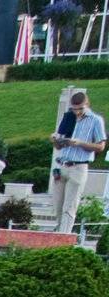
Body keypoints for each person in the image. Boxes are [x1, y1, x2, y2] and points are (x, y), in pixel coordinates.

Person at [52, 90, 107, 234]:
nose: (77, 112)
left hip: (78, 166)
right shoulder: (68, 117)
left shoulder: (95, 119)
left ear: (87, 104)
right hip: (61, 164)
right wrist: (55, 140)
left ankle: (63, 236)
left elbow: (101, 146)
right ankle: (59, 233)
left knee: (69, 207)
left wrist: (80, 143)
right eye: (74, 109)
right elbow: (58, 145)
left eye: (80, 109)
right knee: (57, 205)